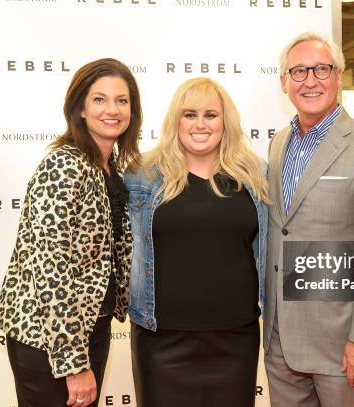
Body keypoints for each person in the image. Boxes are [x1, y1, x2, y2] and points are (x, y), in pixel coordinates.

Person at [263, 33, 354, 406]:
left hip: (343, 344)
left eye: (321, 69)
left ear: (339, 76)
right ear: (284, 82)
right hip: (281, 340)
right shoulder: (279, 142)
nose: (310, 80)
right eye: (298, 71)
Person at [0, 58, 142, 407]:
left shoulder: (108, 167)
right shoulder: (64, 164)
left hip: (92, 326)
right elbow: (50, 268)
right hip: (49, 337)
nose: (113, 109)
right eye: (99, 99)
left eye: (122, 100)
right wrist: (72, 363)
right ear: (80, 109)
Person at [124, 77, 269, 407]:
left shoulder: (255, 173)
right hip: (161, 340)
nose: (200, 124)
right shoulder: (142, 174)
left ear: (225, 121)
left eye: (210, 115)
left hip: (236, 338)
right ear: (176, 120)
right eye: (189, 114)